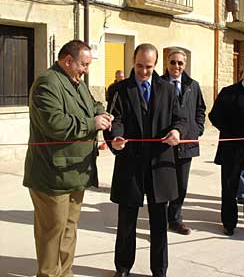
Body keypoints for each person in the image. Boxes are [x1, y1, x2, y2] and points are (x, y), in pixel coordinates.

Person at [23, 40, 113, 277]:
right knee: (51, 234)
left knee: (69, 229)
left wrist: (101, 112)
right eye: (83, 65)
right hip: (52, 175)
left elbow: (92, 104)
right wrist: (91, 123)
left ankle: (65, 273)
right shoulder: (47, 84)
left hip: (75, 173)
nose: (86, 70)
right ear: (68, 61)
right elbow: (56, 124)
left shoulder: (76, 82)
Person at [104, 43, 187, 277]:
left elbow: (180, 119)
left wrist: (177, 132)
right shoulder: (121, 89)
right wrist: (115, 137)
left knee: (159, 224)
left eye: (148, 67)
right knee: (126, 223)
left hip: (160, 167)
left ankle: (159, 270)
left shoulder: (168, 89)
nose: (143, 72)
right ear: (133, 61)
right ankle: (122, 268)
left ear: (156, 64)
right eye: (139, 66)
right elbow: (115, 119)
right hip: (130, 165)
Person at [162, 48, 206, 235]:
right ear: (167, 63)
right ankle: (160, 219)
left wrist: (197, 129)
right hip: (165, 144)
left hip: (187, 144)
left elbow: (200, 109)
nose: (176, 66)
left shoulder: (192, 85)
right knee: (164, 184)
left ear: (185, 64)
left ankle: (175, 219)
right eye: (173, 62)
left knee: (181, 185)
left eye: (180, 63)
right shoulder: (159, 83)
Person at [208, 62, 244, 236]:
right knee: (230, 186)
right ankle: (229, 223)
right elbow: (214, 116)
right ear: (243, 72)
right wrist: (232, 131)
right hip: (232, 148)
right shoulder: (228, 92)